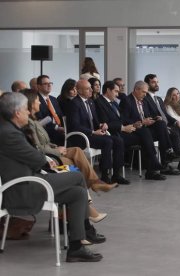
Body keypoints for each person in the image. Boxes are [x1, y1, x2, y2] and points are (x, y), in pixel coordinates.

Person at [0, 92, 104, 262]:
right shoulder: (9, 134)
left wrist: (42, 160)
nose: (29, 112)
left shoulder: (10, 129)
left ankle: (77, 246)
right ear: (17, 113)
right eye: (26, 109)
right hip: (23, 189)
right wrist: (44, 160)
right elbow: (37, 159)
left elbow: (34, 158)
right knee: (77, 176)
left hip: (30, 182)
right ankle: (86, 229)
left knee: (77, 193)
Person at [95, 81, 166, 180]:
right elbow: (105, 122)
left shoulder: (114, 103)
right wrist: (123, 127)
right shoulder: (99, 102)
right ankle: (152, 167)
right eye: (116, 91)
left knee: (145, 134)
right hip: (114, 133)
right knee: (144, 134)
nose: (117, 94)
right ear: (108, 90)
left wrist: (133, 124)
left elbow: (122, 119)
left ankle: (152, 168)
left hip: (123, 130)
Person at [66, 79, 130, 185]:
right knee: (107, 141)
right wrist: (93, 132)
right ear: (79, 91)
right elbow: (75, 126)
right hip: (80, 137)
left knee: (118, 140)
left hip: (92, 134)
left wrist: (101, 125)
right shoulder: (74, 104)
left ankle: (116, 174)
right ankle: (105, 175)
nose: (91, 90)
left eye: (91, 87)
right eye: (88, 88)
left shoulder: (90, 102)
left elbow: (95, 120)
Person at [119, 80, 180, 175]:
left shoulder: (143, 100)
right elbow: (124, 120)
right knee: (147, 132)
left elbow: (148, 115)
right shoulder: (127, 100)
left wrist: (155, 118)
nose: (145, 95)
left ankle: (167, 153)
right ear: (136, 89)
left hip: (144, 128)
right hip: (134, 130)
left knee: (161, 124)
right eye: (143, 92)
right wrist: (142, 122)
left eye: (146, 92)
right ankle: (158, 163)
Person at [144, 74, 180, 174]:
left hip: (169, 124)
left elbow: (166, 115)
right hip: (158, 126)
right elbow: (148, 114)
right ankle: (168, 164)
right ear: (147, 84)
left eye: (157, 82)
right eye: (153, 82)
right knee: (174, 133)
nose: (156, 84)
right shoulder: (145, 98)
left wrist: (176, 121)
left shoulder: (158, 99)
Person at [36, 75, 65, 146]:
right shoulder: (36, 99)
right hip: (48, 131)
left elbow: (60, 115)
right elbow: (41, 119)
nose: (49, 85)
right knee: (67, 139)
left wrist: (65, 127)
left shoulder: (54, 99)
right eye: (46, 84)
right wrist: (57, 128)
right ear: (39, 86)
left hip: (61, 128)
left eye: (50, 83)